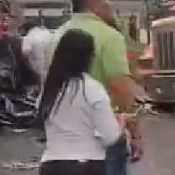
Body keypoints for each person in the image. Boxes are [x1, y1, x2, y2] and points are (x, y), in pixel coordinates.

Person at [45, 0, 144, 175]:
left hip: (59, 147)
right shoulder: (109, 36)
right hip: (102, 141)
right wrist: (135, 134)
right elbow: (120, 87)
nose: (110, 4)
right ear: (93, 2)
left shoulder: (57, 36)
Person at [39, 29, 123, 175]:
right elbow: (110, 137)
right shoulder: (92, 89)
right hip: (86, 166)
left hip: (50, 165)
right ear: (89, 58)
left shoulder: (49, 89)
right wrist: (122, 123)